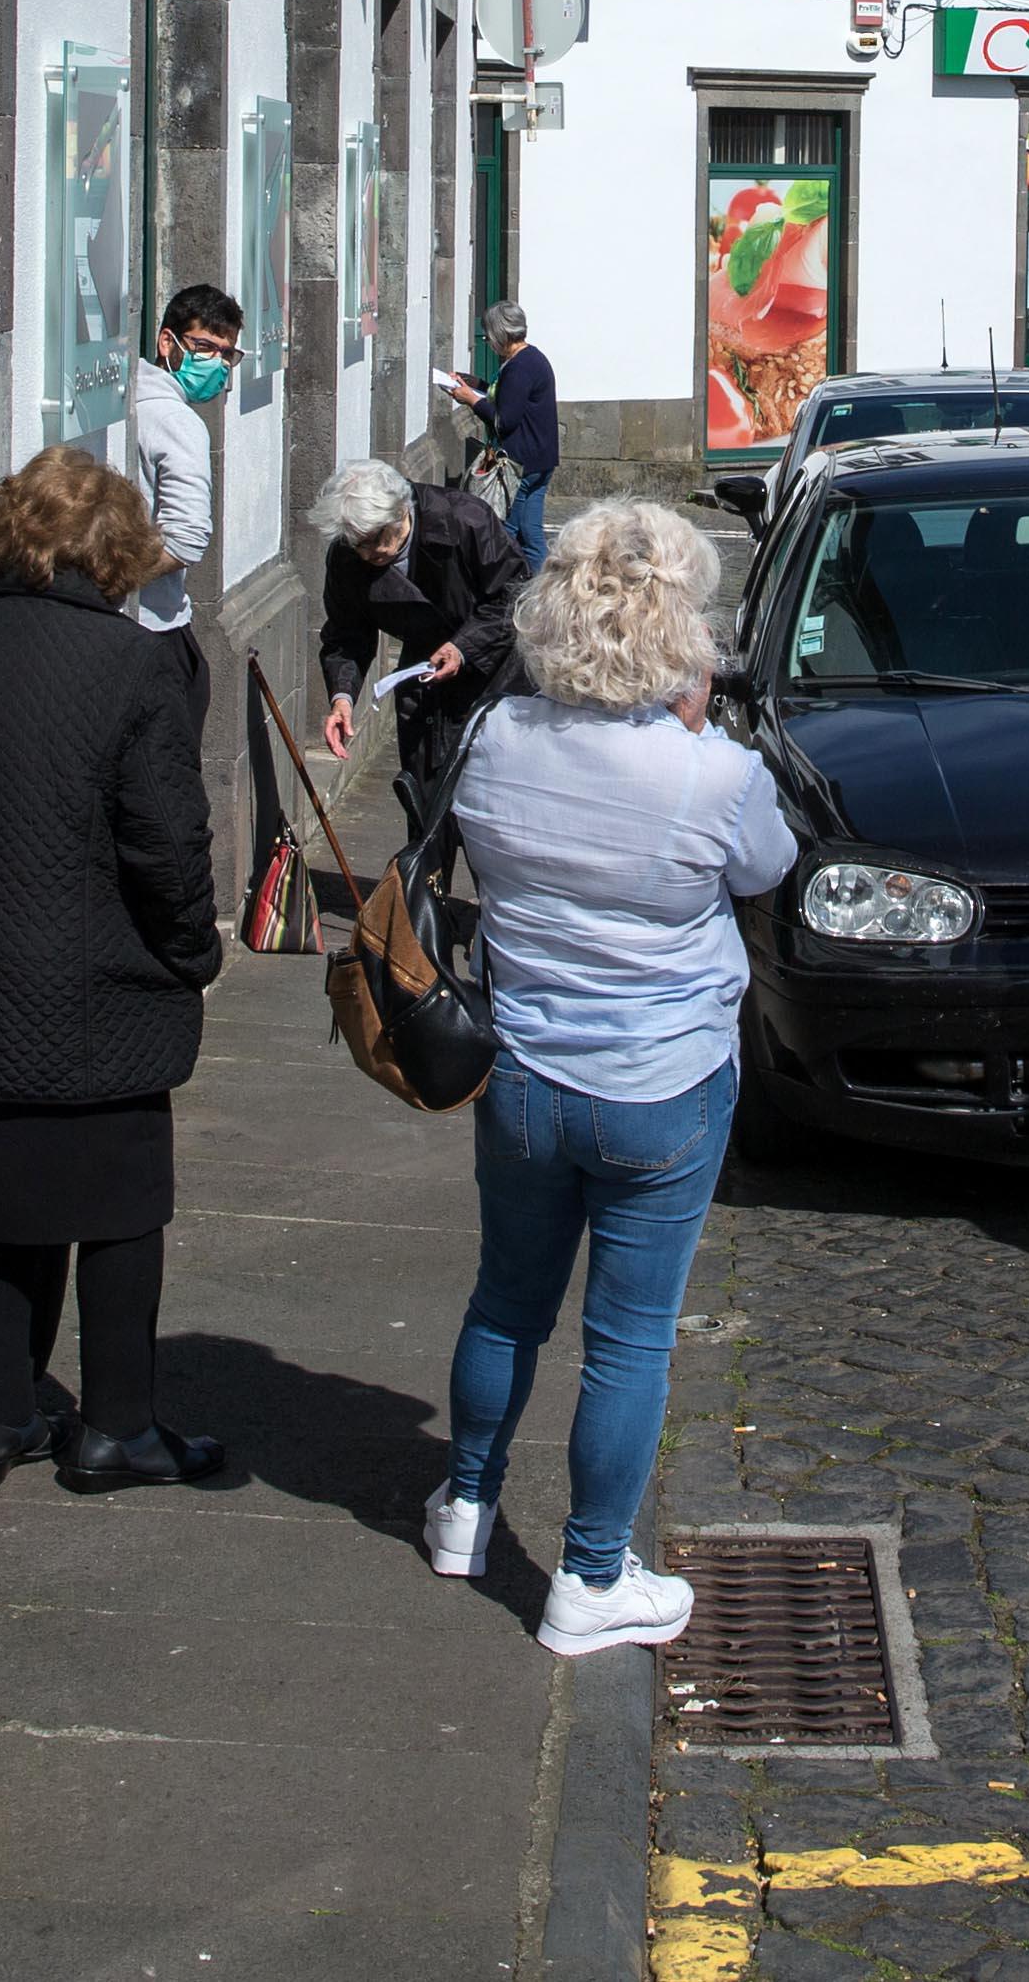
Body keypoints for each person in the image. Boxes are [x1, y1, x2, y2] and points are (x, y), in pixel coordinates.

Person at [420, 503, 797, 1653]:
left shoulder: (494, 741)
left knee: (506, 1302)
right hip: (661, 1081)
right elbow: (766, 870)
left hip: (525, 1068)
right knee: (629, 1340)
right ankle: (589, 1576)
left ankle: (466, 1509)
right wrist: (691, 736)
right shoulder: (711, 773)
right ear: (678, 630)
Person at [0, 447, 229, 1494]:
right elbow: (167, 840)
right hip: (96, 992)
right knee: (118, 1205)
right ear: (115, 551)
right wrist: (190, 949)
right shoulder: (131, 667)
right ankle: (117, 1424)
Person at [312, 458, 526, 788]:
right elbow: (346, 634)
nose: (368, 553)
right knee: (426, 793)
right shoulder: (347, 556)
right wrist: (343, 697)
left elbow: (513, 596)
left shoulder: (465, 519)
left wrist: (463, 647)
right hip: (425, 677)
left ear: (400, 511)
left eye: (374, 538)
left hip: (493, 669)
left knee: (491, 788)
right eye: (358, 543)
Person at [127, 283, 243, 708]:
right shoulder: (180, 421)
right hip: (155, 629)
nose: (217, 362)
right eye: (204, 346)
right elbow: (186, 538)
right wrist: (115, 585)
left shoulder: (122, 399)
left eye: (226, 353)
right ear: (167, 342)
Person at [441, 303, 560, 571]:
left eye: (488, 335)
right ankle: (540, 590)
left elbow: (504, 421)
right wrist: (473, 384)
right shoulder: (531, 359)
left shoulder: (519, 368)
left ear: (500, 334)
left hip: (520, 465)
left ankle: (508, 589)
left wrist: (471, 400)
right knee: (531, 535)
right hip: (540, 460)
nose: (487, 341)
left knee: (506, 530)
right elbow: (507, 397)